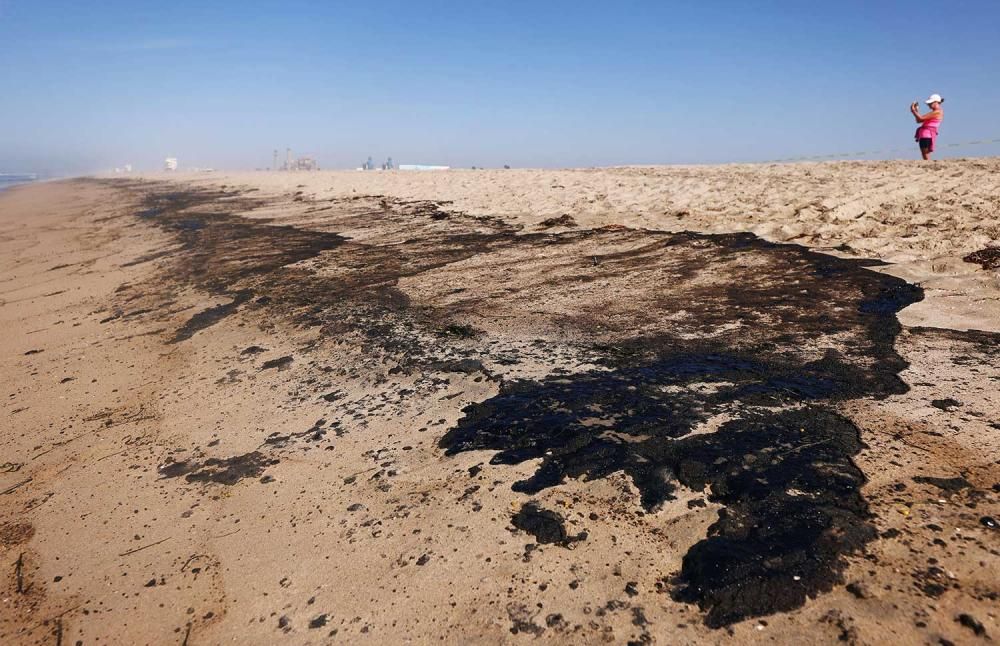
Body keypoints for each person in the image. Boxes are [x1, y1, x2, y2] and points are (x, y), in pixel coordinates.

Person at [911, 94, 944, 160]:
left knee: (925, 153)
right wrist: (916, 111)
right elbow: (919, 120)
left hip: (927, 134)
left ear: (936, 102)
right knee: (924, 153)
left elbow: (920, 118)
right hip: (924, 134)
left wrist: (913, 111)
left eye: (930, 103)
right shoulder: (934, 112)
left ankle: (928, 164)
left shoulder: (938, 112)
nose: (928, 105)